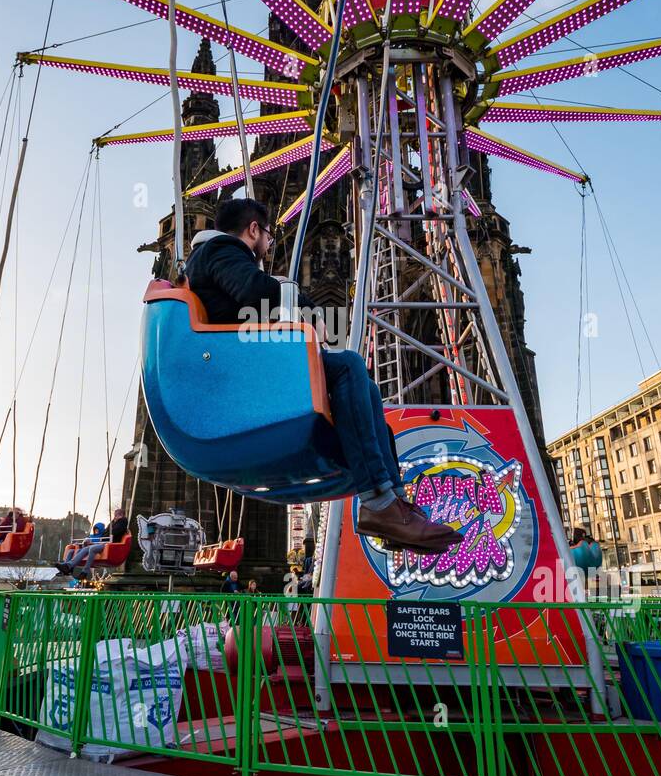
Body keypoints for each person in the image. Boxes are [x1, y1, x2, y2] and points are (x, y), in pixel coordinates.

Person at [185, 198, 458, 553]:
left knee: (366, 390)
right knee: (347, 366)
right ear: (253, 230)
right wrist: (303, 304)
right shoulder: (221, 249)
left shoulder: (216, 256)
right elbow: (253, 292)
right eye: (269, 235)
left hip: (246, 368)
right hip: (241, 375)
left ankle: (391, 501)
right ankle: (380, 501)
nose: (269, 244)